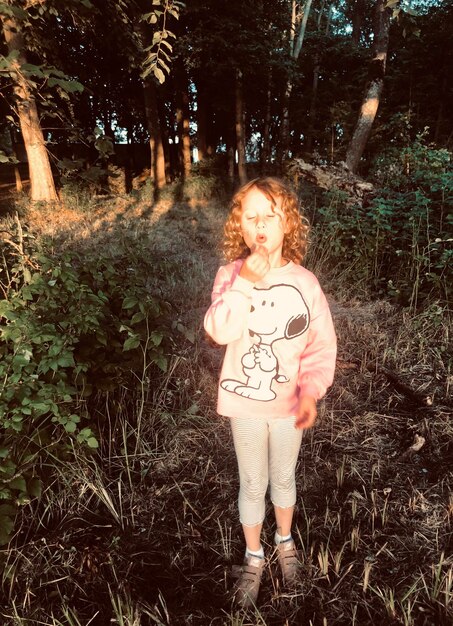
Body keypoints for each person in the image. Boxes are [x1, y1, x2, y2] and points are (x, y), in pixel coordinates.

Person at [204, 177, 336, 609]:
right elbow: (220, 331)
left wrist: (311, 392)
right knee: (253, 480)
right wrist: (244, 283)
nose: (260, 225)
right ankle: (254, 555)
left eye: (270, 215)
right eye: (251, 216)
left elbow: (320, 346)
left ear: (287, 224)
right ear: (239, 226)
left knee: (283, 477)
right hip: (244, 404)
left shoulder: (305, 282)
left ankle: (284, 541)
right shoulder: (229, 275)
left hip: (286, 406)